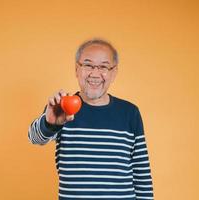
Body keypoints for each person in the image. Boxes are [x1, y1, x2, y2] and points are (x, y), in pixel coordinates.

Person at [28, 38, 154, 200]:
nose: (95, 74)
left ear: (113, 72)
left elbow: (141, 171)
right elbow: (35, 138)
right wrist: (50, 123)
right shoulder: (61, 109)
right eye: (88, 65)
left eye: (103, 67)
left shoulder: (130, 112)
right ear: (76, 69)